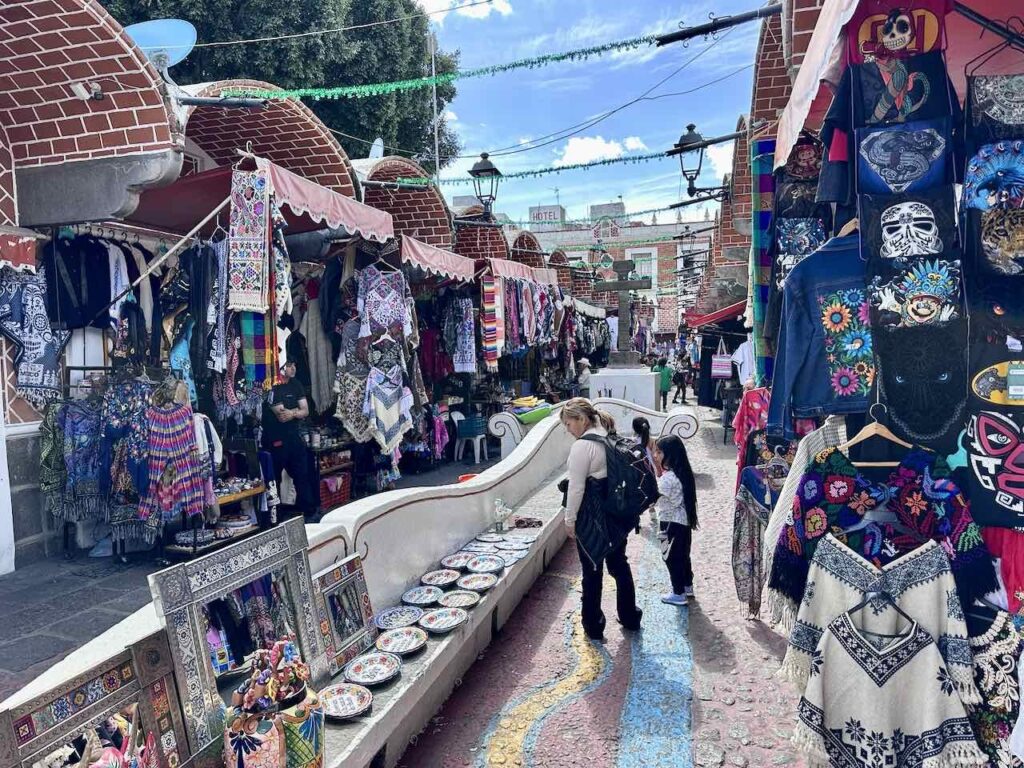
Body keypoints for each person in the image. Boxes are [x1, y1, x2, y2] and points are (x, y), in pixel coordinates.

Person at [561, 398, 643, 640]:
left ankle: (594, 625)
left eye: (568, 423)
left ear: (582, 419)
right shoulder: (609, 434)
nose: (568, 429)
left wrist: (569, 520)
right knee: (619, 564)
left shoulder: (582, 447)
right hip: (617, 512)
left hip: (592, 516)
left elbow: (576, 488)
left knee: (592, 569)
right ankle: (630, 616)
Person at [262, 361, 318, 519]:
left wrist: (292, 413)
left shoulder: (296, 384)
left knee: (302, 473)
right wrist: (296, 412)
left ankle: (308, 511)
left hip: (294, 436)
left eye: (294, 365)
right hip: (275, 438)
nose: (293, 368)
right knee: (275, 478)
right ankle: (275, 515)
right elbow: (282, 416)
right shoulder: (272, 386)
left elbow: (305, 410)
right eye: (289, 365)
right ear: (280, 366)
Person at [653, 434, 698, 606]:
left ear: (669, 455)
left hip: (669, 522)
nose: (655, 455)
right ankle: (687, 585)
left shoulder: (667, 479)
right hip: (683, 521)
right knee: (683, 555)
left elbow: (653, 498)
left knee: (670, 557)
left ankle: (678, 592)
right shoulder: (683, 474)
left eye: (659, 452)